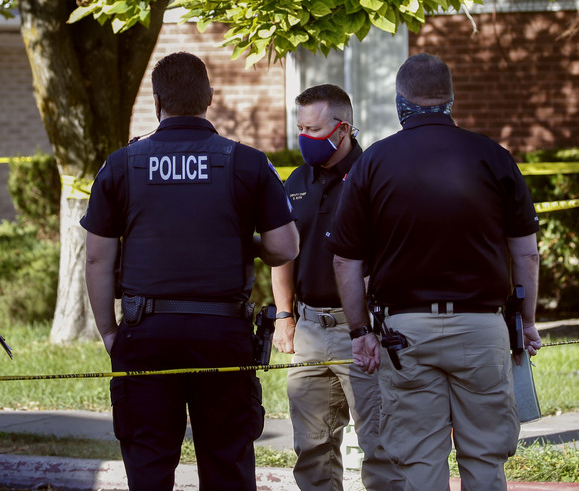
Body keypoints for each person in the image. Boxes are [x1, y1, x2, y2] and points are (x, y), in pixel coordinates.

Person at [82, 51, 300, 491]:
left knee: (148, 463)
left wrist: (110, 333)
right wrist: (246, 243)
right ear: (210, 98)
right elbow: (284, 247)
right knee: (227, 465)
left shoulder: (121, 165)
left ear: (157, 102)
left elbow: (97, 259)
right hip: (222, 336)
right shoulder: (248, 163)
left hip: (146, 334)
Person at [328, 53, 542, 491]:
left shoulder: (372, 163)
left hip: (405, 333)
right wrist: (527, 321)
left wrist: (359, 332)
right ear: (450, 98)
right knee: (485, 457)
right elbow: (527, 253)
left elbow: (346, 260)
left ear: (400, 100)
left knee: (419, 460)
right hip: (482, 328)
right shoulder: (493, 157)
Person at [271, 85, 402, 491]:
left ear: (342, 129)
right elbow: (283, 254)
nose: (303, 137)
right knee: (312, 448)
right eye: (300, 128)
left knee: (380, 446)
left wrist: (370, 325)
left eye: (312, 129)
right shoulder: (295, 180)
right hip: (309, 327)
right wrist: (284, 315)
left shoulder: (374, 175)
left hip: (361, 330)